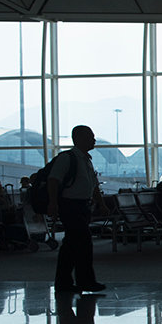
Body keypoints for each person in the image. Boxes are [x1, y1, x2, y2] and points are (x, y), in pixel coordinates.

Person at [47, 125, 106, 292]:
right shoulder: (67, 158)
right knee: (83, 242)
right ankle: (84, 281)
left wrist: (100, 203)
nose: (94, 140)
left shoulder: (86, 160)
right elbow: (53, 180)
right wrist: (53, 203)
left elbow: (93, 186)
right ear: (79, 139)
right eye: (91, 137)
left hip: (82, 206)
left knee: (71, 245)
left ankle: (64, 282)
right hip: (70, 205)